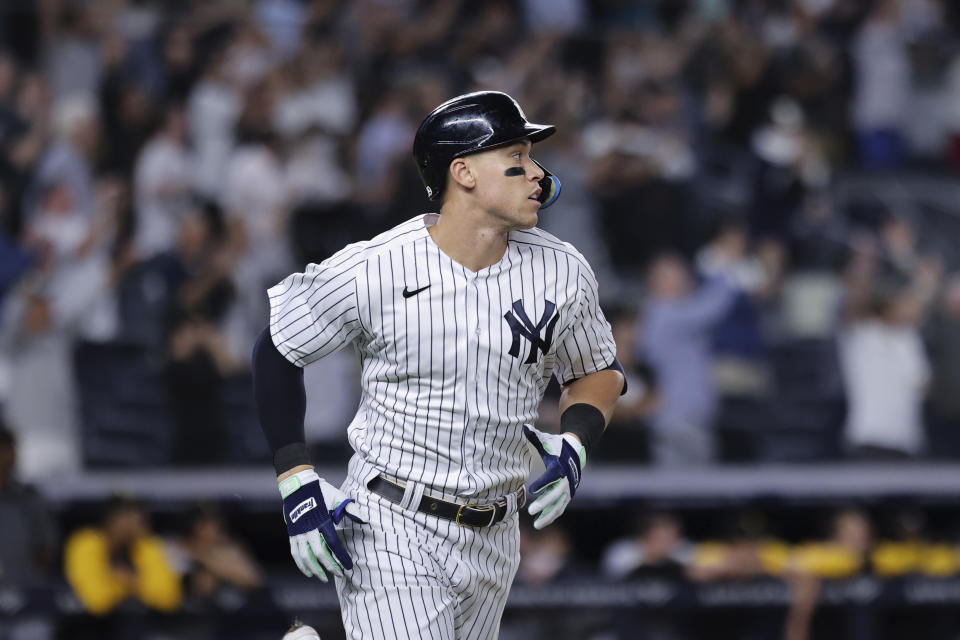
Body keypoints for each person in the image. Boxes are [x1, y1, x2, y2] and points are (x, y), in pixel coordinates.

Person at [252, 90, 625, 639]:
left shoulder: (562, 269)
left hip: (497, 531)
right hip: (393, 518)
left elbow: (597, 371)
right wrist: (296, 478)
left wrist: (577, 441)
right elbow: (277, 349)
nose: (538, 176)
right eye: (517, 160)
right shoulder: (376, 266)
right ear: (464, 172)